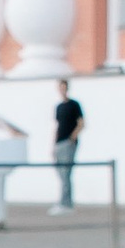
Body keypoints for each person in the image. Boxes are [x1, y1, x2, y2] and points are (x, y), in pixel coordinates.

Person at [52, 76, 86, 210]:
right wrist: (53, 144)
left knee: (66, 173)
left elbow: (81, 123)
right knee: (60, 173)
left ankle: (66, 203)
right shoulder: (59, 107)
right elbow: (57, 125)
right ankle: (63, 201)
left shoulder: (74, 105)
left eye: (64, 87)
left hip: (68, 143)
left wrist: (72, 137)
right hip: (59, 143)